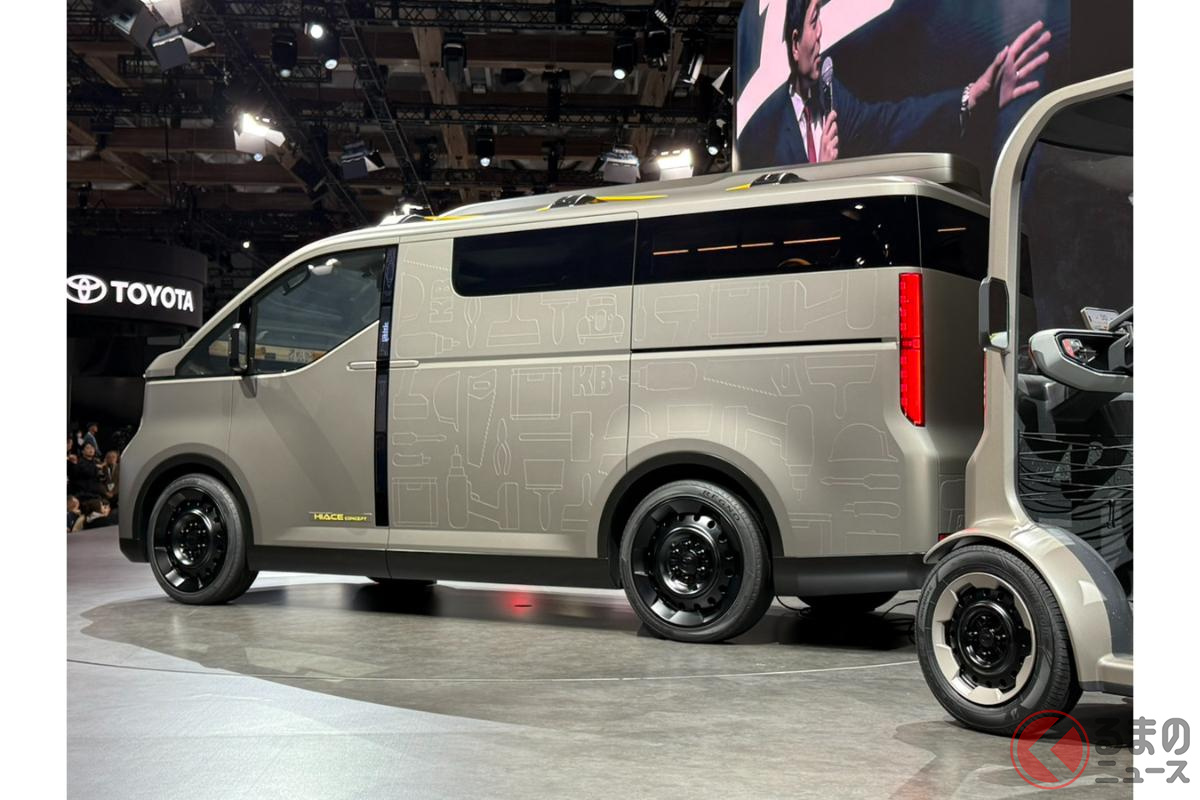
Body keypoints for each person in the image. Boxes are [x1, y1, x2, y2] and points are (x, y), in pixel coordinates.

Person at [737, 0, 1052, 169]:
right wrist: (820, 173)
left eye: (820, 17)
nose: (821, 32)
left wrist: (971, 97)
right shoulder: (768, 132)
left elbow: (890, 122)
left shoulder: (831, 96)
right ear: (795, 43)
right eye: (813, 21)